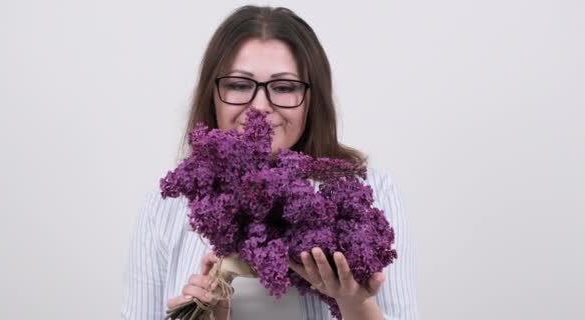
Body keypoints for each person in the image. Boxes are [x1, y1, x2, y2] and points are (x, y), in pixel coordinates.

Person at [122, 5, 419, 320]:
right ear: (213, 93)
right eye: (238, 85)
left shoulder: (374, 192)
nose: (259, 107)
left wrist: (355, 304)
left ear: (311, 99)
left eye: (284, 87)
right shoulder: (165, 207)